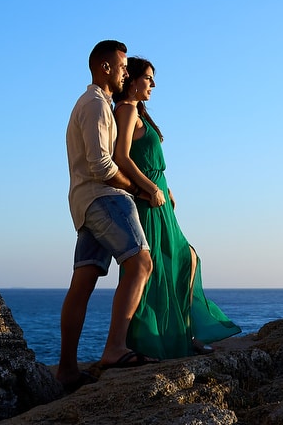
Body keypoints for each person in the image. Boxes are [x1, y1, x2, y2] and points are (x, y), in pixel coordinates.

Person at [113, 57, 240, 358]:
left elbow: (143, 159)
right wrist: (152, 188)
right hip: (148, 202)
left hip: (159, 201)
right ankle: (153, 340)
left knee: (184, 260)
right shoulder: (127, 110)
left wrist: (163, 187)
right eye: (148, 78)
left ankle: (184, 334)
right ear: (131, 79)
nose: (153, 84)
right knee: (168, 264)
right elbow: (122, 158)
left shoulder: (138, 111)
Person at [57, 39, 156, 390]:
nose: (127, 72)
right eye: (123, 66)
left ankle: (66, 369)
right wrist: (134, 187)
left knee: (82, 284)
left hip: (83, 202)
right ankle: (115, 348)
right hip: (105, 197)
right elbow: (101, 164)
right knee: (141, 263)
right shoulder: (97, 104)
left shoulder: (85, 104)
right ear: (105, 67)